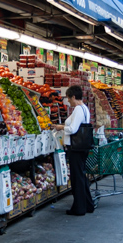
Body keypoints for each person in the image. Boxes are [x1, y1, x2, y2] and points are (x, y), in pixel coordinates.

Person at [52, 86, 94, 216]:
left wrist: (61, 127)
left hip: (76, 148)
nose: (68, 101)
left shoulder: (77, 109)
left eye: (69, 98)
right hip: (82, 147)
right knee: (81, 177)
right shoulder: (85, 108)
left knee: (77, 179)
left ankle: (79, 208)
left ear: (74, 97)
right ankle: (88, 205)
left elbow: (73, 129)